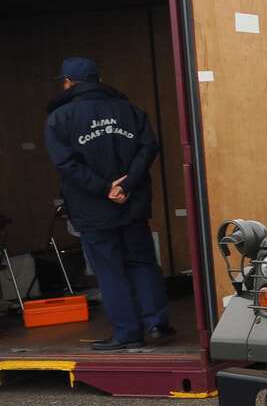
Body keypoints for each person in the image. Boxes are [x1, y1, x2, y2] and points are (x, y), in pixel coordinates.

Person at [44, 56, 174, 351]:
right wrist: (126, 185)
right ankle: (157, 324)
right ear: (99, 80)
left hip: (92, 209)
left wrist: (105, 189)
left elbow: (66, 164)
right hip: (132, 203)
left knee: (109, 269)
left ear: (67, 83)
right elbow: (148, 148)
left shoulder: (59, 118)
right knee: (142, 262)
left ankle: (128, 333)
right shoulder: (130, 110)